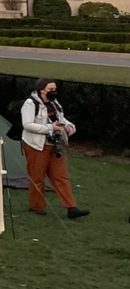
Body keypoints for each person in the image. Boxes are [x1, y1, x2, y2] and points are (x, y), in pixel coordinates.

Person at [22, 78, 89, 219]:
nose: (54, 92)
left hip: (55, 144)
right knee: (37, 177)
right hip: (36, 145)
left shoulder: (54, 103)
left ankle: (71, 207)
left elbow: (61, 119)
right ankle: (36, 206)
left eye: (55, 89)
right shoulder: (30, 104)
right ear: (42, 90)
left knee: (61, 176)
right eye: (50, 89)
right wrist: (49, 128)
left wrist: (69, 126)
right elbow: (27, 124)